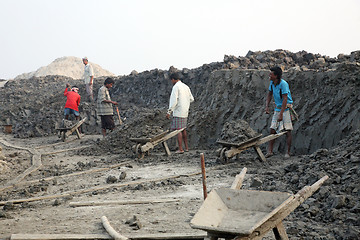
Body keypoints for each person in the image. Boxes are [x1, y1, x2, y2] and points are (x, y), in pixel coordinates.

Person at [265, 66, 294, 158]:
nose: (269, 75)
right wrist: (267, 107)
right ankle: (270, 151)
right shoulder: (272, 83)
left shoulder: (283, 84)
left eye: (271, 74)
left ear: (276, 75)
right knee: (272, 129)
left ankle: (288, 152)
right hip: (278, 108)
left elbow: (285, 99)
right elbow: (269, 94)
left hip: (286, 108)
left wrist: (281, 113)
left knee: (287, 130)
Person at [166, 72, 194, 153]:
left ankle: (180, 149)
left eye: (171, 80)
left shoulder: (176, 87)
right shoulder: (186, 86)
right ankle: (187, 148)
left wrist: (169, 112)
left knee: (178, 130)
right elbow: (192, 99)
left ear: (173, 79)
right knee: (183, 129)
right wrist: (185, 102)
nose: (171, 82)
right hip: (185, 111)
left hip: (178, 111)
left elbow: (173, 101)